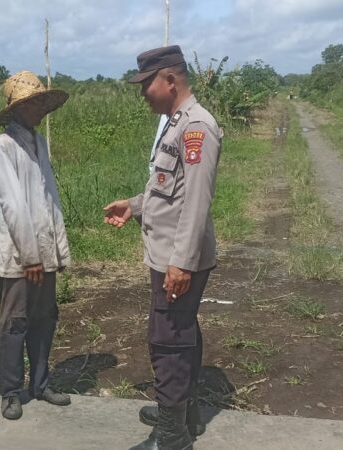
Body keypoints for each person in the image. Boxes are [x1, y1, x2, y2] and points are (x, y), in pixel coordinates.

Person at [104, 45, 222, 450]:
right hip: (169, 254)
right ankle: (183, 414)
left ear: (169, 80)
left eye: (146, 84)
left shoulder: (196, 127)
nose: (143, 93)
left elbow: (197, 201)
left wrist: (182, 264)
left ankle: (172, 436)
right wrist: (135, 206)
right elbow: (169, 189)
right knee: (180, 330)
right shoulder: (175, 124)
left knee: (168, 339)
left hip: (178, 257)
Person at [0, 70, 72, 420]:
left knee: (44, 318)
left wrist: (57, 250)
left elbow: (49, 199)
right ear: (18, 109)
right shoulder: (4, 146)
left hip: (44, 252)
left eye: (41, 102)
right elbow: (13, 206)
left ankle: (40, 383)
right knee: (15, 323)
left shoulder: (39, 143)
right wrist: (30, 256)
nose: (40, 109)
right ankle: (10, 391)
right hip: (21, 256)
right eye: (33, 103)